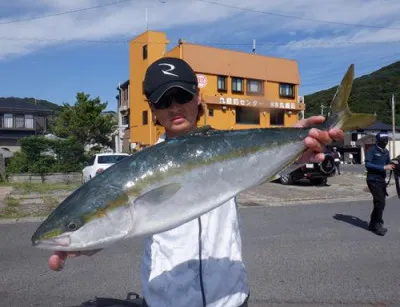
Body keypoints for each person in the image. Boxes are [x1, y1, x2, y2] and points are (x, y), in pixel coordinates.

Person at [47, 57, 344, 307]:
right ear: (153, 108)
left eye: (182, 96)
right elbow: (122, 220)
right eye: (163, 100)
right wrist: (90, 239)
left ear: (197, 97)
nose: (174, 107)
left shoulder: (227, 145)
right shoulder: (138, 167)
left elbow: (256, 167)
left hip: (231, 298)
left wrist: (296, 147)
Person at [365, 132, 394, 236]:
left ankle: (373, 223)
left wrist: (394, 163)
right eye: (383, 141)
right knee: (380, 203)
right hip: (373, 180)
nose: (385, 143)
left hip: (381, 180)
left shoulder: (386, 152)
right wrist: (383, 167)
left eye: (386, 141)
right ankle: (377, 224)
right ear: (378, 141)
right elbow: (367, 164)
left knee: (379, 203)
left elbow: (389, 163)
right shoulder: (371, 150)